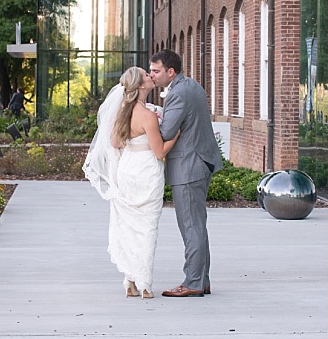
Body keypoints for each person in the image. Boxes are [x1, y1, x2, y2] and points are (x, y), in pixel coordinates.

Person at [83, 67, 179, 299]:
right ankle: (145, 284)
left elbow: (115, 143)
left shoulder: (122, 112)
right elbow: (160, 151)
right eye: (146, 75)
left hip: (128, 169)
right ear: (140, 86)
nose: (150, 76)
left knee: (128, 225)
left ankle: (129, 280)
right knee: (147, 228)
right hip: (146, 170)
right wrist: (176, 133)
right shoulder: (147, 116)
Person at [149, 49, 223, 298]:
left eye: (156, 71)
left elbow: (167, 133)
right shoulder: (190, 85)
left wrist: (149, 120)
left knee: (191, 226)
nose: (152, 75)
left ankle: (192, 282)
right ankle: (202, 280)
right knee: (197, 225)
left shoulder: (178, 93)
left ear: (170, 72)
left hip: (189, 166)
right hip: (200, 161)